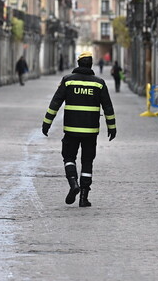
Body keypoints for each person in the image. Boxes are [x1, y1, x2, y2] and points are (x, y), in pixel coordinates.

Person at [42, 51, 117, 207]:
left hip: (71, 129)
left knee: (69, 157)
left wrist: (46, 123)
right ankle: (84, 197)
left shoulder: (68, 81)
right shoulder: (99, 83)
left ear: (78, 64)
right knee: (87, 161)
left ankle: (73, 183)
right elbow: (108, 107)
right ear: (90, 64)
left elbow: (55, 103)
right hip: (90, 131)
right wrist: (112, 127)